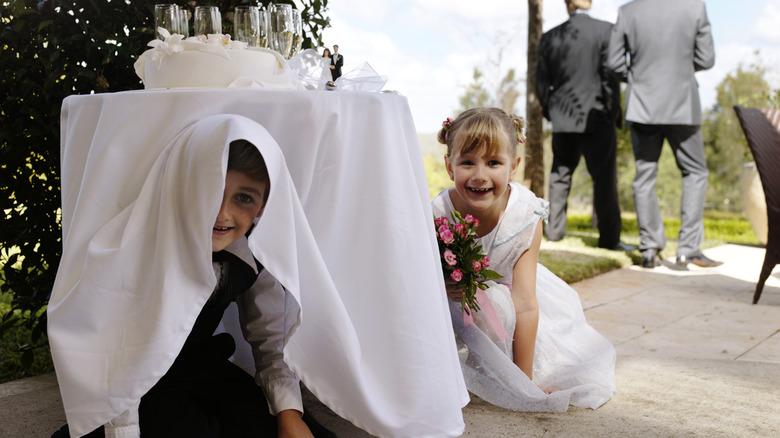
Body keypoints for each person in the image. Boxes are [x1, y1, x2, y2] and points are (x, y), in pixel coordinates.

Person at [49, 116, 333, 437]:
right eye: (211, 190)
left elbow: (269, 338)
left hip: (201, 366)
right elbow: (121, 354)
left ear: (264, 206)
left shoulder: (253, 255)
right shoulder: (142, 250)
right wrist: (123, 431)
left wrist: (289, 413)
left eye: (243, 198)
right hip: (142, 377)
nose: (222, 213)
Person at [432, 107, 616, 412]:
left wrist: (523, 380)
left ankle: (491, 369)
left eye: (493, 163)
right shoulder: (438, 213)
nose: (480, 176)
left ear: (514, 166)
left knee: (495, 302)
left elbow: (526, 304)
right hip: (452, 303)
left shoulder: (525, 214)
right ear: (450, 167)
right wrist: (443, 283)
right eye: (467, 162)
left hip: (509, 301)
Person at [606, 0, 721, 268]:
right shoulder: (695, 8)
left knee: (645, 175)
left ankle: (649, 249)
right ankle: (688, 249)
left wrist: (638, 77)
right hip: (682, 102)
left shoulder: (627, 11)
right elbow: (707, 58)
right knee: (695, 172)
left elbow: (613, 62)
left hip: (642, 105)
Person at [536, 0, 633, 252]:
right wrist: (613, 114)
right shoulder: (605, 30)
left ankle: (554, 233)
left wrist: (551, 112)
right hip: (598, 117)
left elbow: (540, 82)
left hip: (563, 119)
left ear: (567, 5)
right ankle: (610, 239)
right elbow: (610, 78)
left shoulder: (549, 37)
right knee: (604, 178)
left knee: (559, 176)